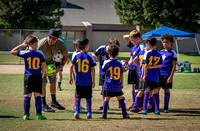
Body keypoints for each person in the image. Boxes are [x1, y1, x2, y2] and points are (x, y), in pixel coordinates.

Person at [10, 35, 47, 120]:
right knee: (37, 95)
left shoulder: (24, 53)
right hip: (37, 76)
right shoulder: (40, 53)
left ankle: (26, 115)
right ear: (34, 43)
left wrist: (22, 45)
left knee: (27, 95)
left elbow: (12, 51)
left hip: (28, 76)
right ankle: (39, 114)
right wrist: (42, 74)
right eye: (37, 42)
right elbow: (44, 66)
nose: (38, 44)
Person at [38, 28, 70, 112]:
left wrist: (60, 68)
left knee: (53, 82)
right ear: (47, 36)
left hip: (51, 62)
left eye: (54, 38)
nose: (51, 40)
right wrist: (42, 70)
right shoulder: (41, 44)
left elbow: (66, 56)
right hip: (40, 63)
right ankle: (43, 104)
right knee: (43, 83)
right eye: (50, 37)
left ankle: (53, 102)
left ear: (58, 38)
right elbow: (34, 56)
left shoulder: (61, 44)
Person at [100, 44, 129, 119]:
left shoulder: (106, 62)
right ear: (117, 53)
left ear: (108, 53)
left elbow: (103, 71)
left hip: (109, 84)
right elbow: (121, 74)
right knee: (120, 98)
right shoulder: (119, 63)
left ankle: (104, 114)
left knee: (106, 98)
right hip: (117, 84)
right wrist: (121, 83)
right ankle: (125, 114)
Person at [69, 38, 96, 119]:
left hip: (78, 81)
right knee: (88, 97)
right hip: (87, 81)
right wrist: (93, 80)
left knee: (78, 97)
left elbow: (72, 66)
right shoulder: (90, 56)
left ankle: (77, 112)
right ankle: (89, 113)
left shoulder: (76, 56)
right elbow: (93, 69)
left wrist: (71, 76)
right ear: (86, 47)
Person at [92, 37, 121, 110]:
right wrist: (95, 57)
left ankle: (121, 102)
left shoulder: (113, 52)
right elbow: (93, 53)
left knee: (115, 88)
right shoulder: (102, 48)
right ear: (109, 45)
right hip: (103, 73)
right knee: (104, 89)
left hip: (112, 74)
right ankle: (106, 105)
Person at [137, 37, 163, 115]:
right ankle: (157, 110)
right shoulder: (159, 54)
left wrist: (143, 75)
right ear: (155, 44)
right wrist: (152, 67)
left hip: (148, 75)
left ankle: (145, 109)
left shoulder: (147, 53)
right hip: (156, 76)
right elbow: (161, 64)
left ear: (148, 44)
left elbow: (145, 65)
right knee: (156, 92)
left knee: (147, 92)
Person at [123, 30, 145, 109]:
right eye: (131, 40)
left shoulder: (141, 46)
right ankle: (134, 103)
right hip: (132, 69)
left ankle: (138, 105)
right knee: (133, 86)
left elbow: (141, 56)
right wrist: (127, 66)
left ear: (139, 38)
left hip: (137, 69)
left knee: (137, 88)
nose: (131, 41)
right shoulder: (133, 47)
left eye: (133, 40)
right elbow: (131, 59)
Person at [129, 41, 151, 113]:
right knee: (147, 90)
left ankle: (136, 106)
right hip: (146, 73)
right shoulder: (148, 53)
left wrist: (139, 67)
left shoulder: (141, 52)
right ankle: (145, 107)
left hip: (140, 73)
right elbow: (145, 64)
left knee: (141, 90)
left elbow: (134, 60)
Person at [159, 33, 177, 113]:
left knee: (166, 90)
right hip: (159, 74)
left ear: (171, 43)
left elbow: (174, 66)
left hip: (167, 75)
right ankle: (154, 107)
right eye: (163, 42)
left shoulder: (173, 53)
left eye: (167, 42)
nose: (165, 44)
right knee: (156, 90)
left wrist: (170, 77)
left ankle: (166, 107)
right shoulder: (161, 52)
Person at [71, 40, 85, 110]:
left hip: (81, 74)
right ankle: (75, 105)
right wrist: (74, 75)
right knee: (78, 90)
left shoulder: (81, 53)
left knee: (80, 90)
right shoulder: (75, 54)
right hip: (77, 75)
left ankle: (78, 104)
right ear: (76, 46)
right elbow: (72, 66)